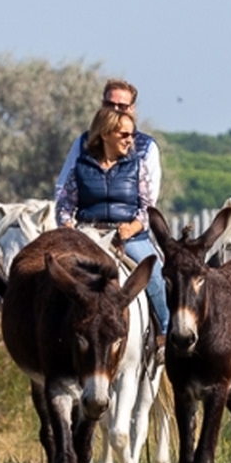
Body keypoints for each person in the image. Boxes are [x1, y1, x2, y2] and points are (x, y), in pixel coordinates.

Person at [53, 107, 170, 339]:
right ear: (105, 134)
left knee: (156, 275)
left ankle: (165, 334)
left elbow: (147, 206)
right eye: (124, 134)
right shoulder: (80, 169)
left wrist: (132, 228)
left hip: (129, 236)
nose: (130, 140)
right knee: (55, 277)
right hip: (89, 234)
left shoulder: (137, 167)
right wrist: (69, 231)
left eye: (131, 134)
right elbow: (64, 206)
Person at [53, 79, 162, 212]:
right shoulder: (83, 143)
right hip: (87, 225)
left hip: (129, 227)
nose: (115, 110)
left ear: (132, 109)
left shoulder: (147, 147)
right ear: (102, 105)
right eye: (110, 104)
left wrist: (131, 227)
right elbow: (62, 190)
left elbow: (149, 201)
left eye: (122, 106)